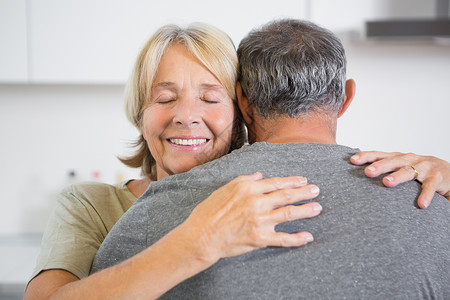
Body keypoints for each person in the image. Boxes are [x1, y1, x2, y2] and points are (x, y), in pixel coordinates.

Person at [25, 22, 450, 299]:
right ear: (138, 110)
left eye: (210, 98)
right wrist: (195, 241)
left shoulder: (262, 190)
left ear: (241, 108)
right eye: (165, 98)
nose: (186, 115)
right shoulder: (95, 207)